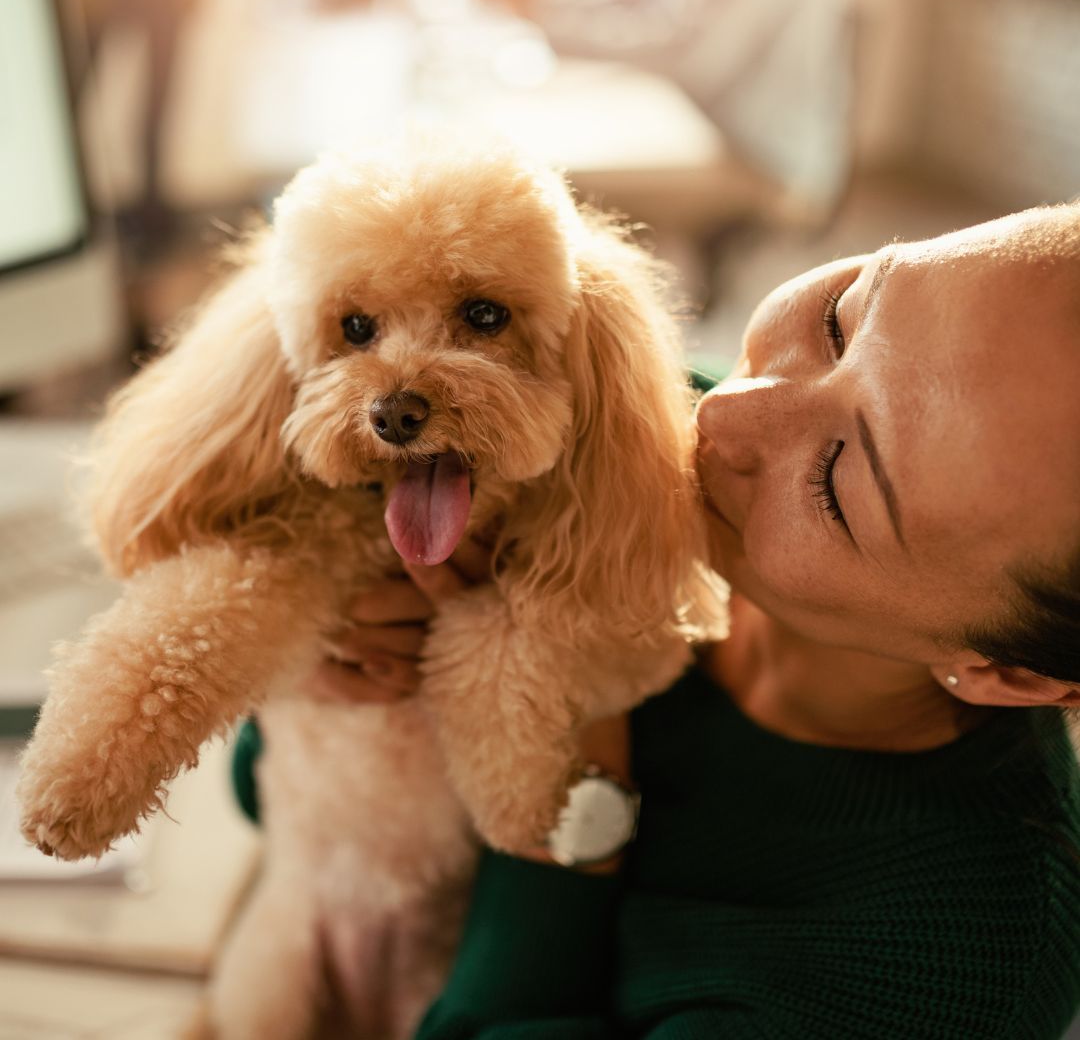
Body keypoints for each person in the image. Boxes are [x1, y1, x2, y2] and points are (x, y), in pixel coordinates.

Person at [235, 204, 1080, 1038]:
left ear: (1013, 676)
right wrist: (323, 679)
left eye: (837, 481)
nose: (724, 410)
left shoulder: (949, 981)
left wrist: (568, 789)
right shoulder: (625, 428)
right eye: (841, 317)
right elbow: (262, 803)